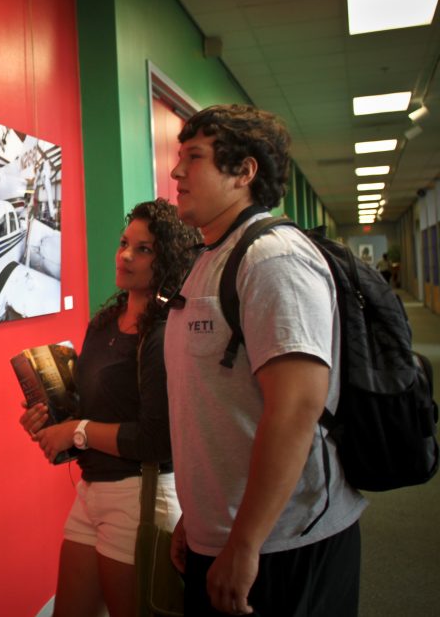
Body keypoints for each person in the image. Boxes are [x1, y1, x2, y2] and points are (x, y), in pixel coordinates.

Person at [165, 104, 367, 616]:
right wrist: (199, 516)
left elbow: (296, 408)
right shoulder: (208, 259)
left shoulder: (273, 259)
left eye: (194, 157)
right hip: (225, 533)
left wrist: (245, 542)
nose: (176, 171)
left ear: (244, 171)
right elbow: (215, 406)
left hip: (285, 542)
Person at [20, 199, 200, 617]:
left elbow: (157, 439)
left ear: (168, 260)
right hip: (91, 489)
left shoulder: (163, 334)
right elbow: (89, 408)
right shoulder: (104, 323)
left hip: (140, 495)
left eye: (143, 249)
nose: (126, 255)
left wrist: (76, 431)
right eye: (124, 243)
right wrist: (49, 419)